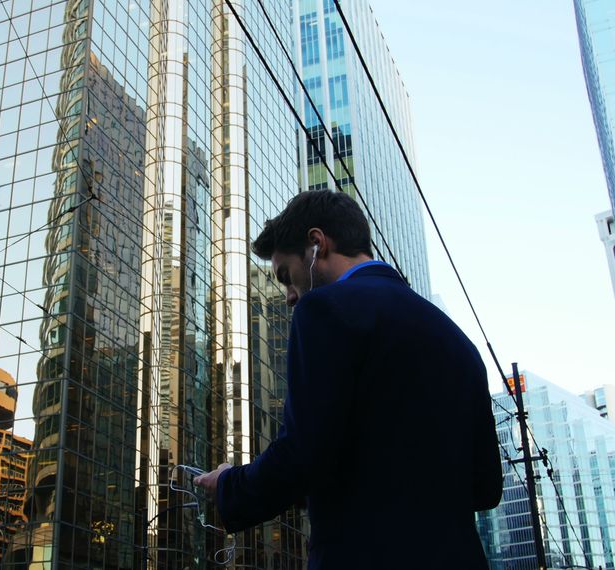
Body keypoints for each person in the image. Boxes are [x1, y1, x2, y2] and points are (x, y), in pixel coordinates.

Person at [193, 190, 502, 568]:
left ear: (316, 244)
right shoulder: (460, 344)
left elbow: (304, 451)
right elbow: (487, 488)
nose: (290, 296)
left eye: (286, 276)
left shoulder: (324, 310)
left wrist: (229, 485)